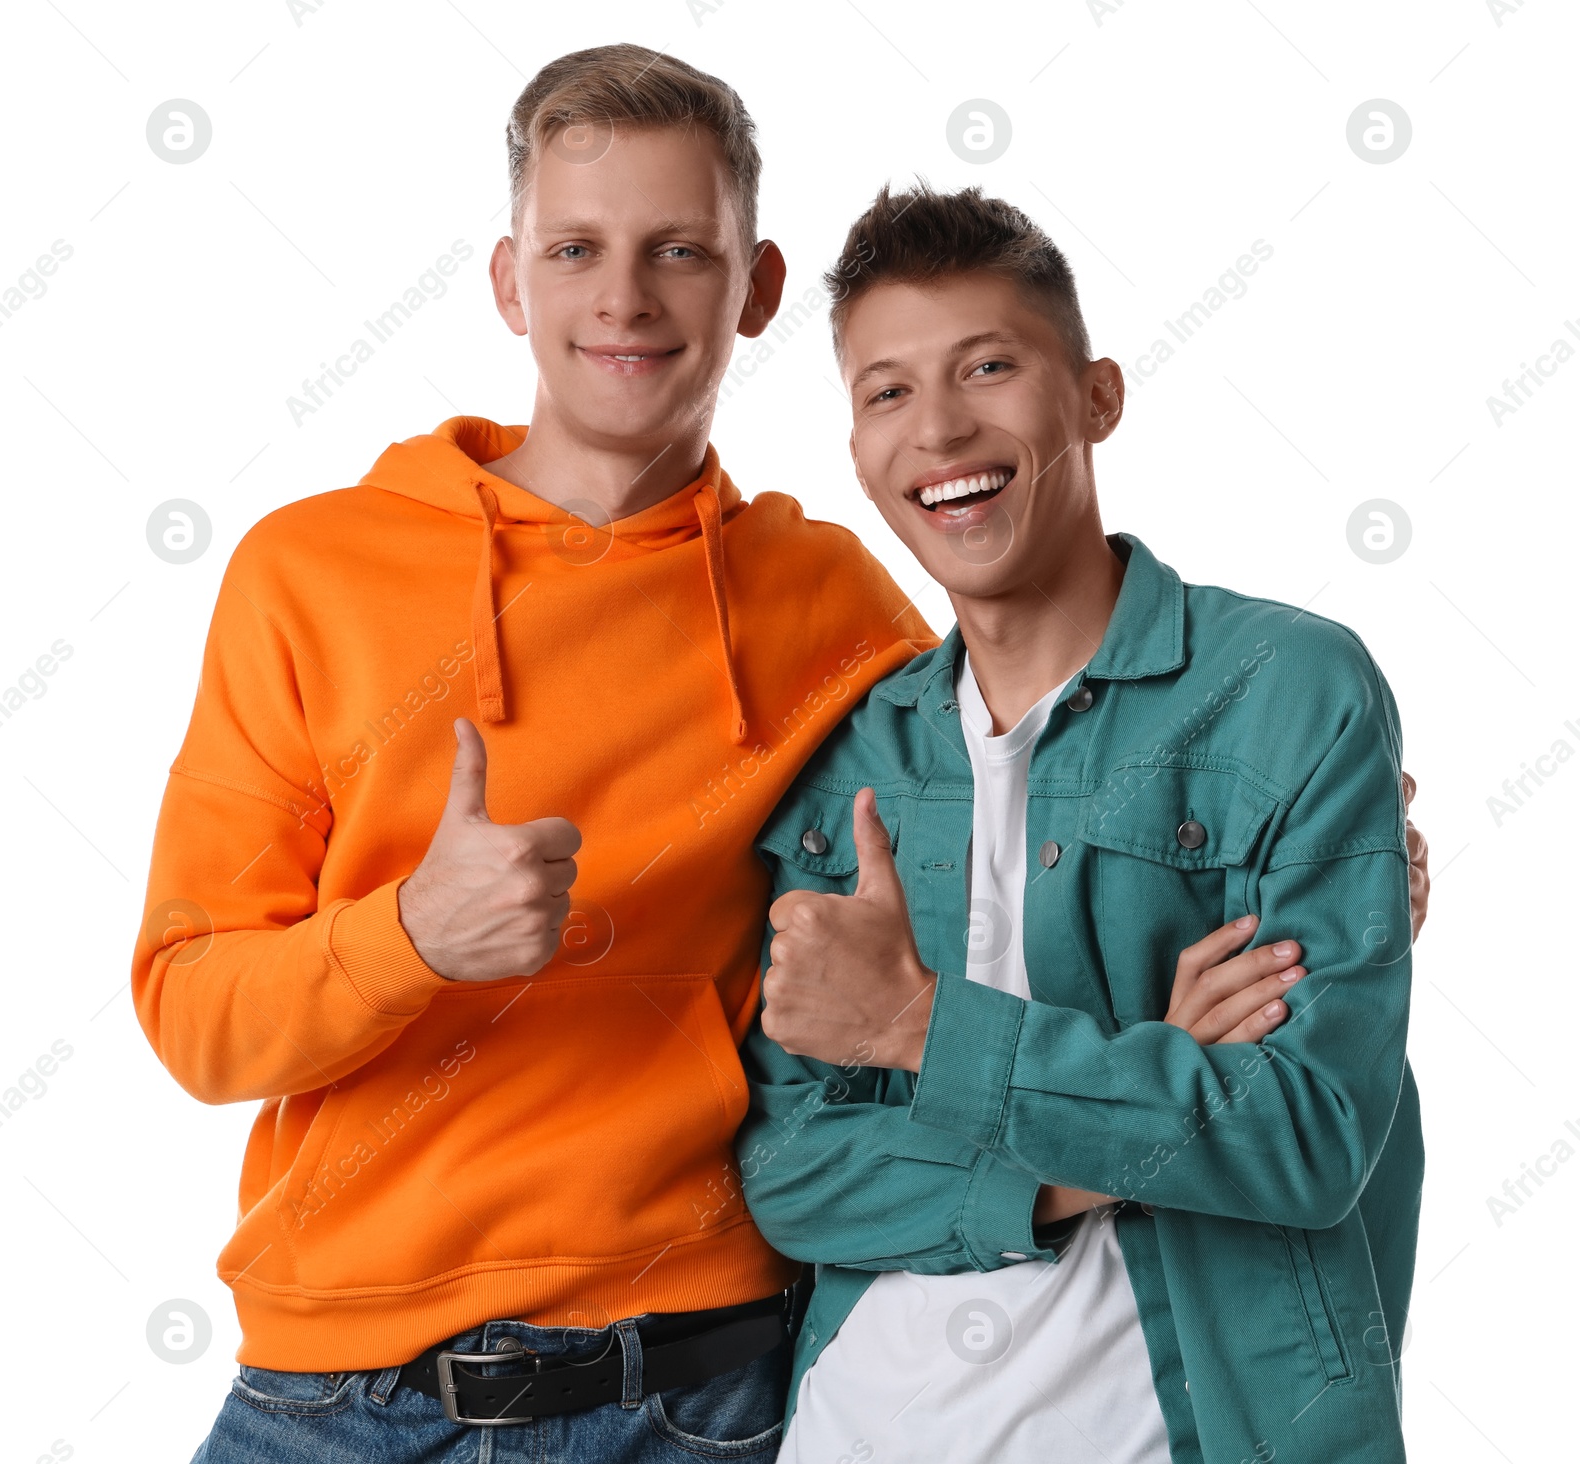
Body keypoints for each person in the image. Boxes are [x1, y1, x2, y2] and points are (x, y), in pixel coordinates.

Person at [133, 46, 1429, 1464]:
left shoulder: (832, 609)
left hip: (706, 1390)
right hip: (341, 1393)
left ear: (752, 287)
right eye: (577, 250)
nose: (623, 298)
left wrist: (1347, 859)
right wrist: (408, 937)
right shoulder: (305, 573)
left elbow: (1042, 754)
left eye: (678, 250)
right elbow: (193, 1011)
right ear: (511, 283)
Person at [739, 185, 1425, 1464]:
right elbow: (790, 1174)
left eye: (987, 367)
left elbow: (1307, 1136)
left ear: (1097, 396)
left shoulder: (1286, 693)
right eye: (886, 391)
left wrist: (919, 1029)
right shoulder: (851, 757)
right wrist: (1136, 1114)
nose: (939, 426)